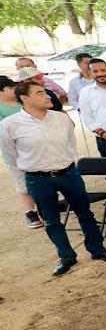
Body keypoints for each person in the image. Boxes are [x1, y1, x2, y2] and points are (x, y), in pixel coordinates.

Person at [0, 79, 106, 275]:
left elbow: (70, 145)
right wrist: (32, 171)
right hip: (37, 179)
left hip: (68, 173)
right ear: (25, 98)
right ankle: (66, 256)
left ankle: (97, 249)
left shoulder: (61, 119)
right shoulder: (9, 125)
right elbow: (11, 155)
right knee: (51, 220)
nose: (47, 96)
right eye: (40, 93)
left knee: (85, 213)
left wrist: (64, 164)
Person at [0, 76, 43, 229]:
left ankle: (46, 207)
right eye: (11, 88)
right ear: (1, 91)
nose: (15, 90)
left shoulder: (21, 103)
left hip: (36, 149)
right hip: (15, 153)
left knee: (42, 179)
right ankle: (30, 212)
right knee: (22, 184)